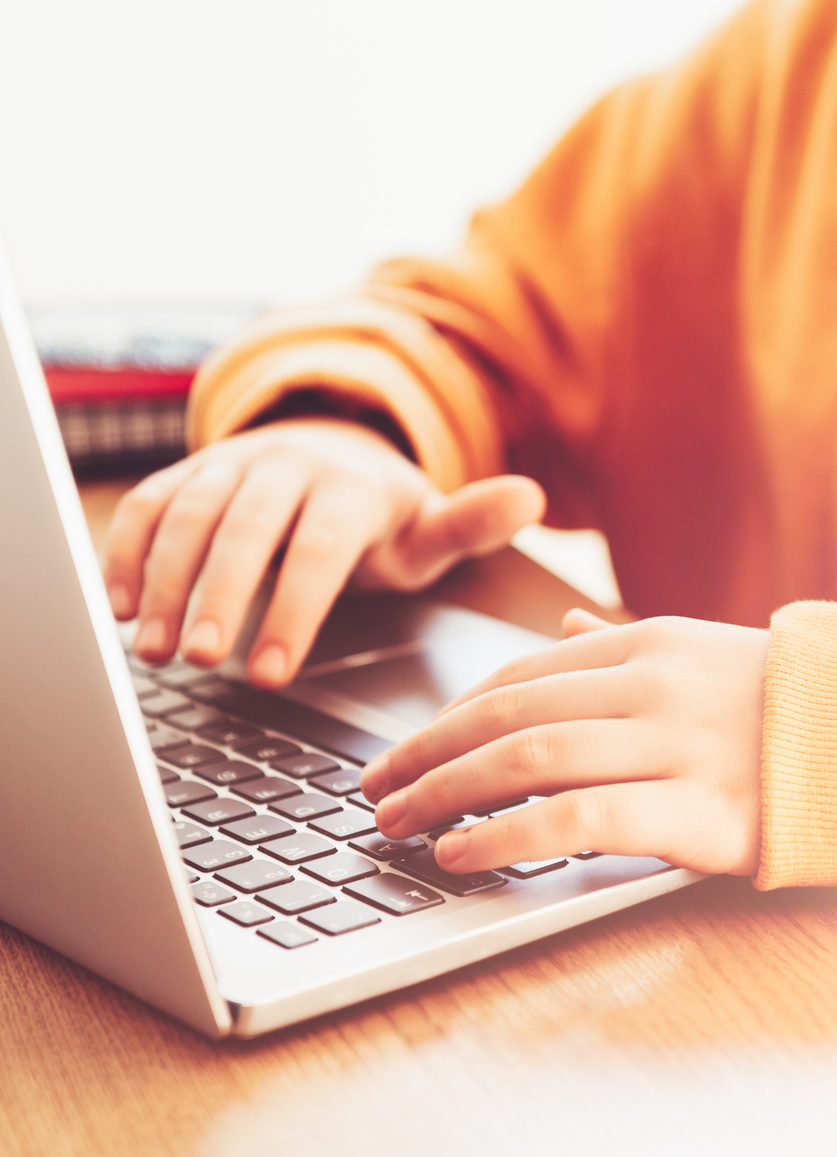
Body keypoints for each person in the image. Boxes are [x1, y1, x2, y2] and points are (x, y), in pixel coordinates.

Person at [104, 0, 837, 892]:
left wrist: (805, 730)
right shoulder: (789, 70)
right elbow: (480, 318)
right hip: (670, 933)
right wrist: (353, 426)